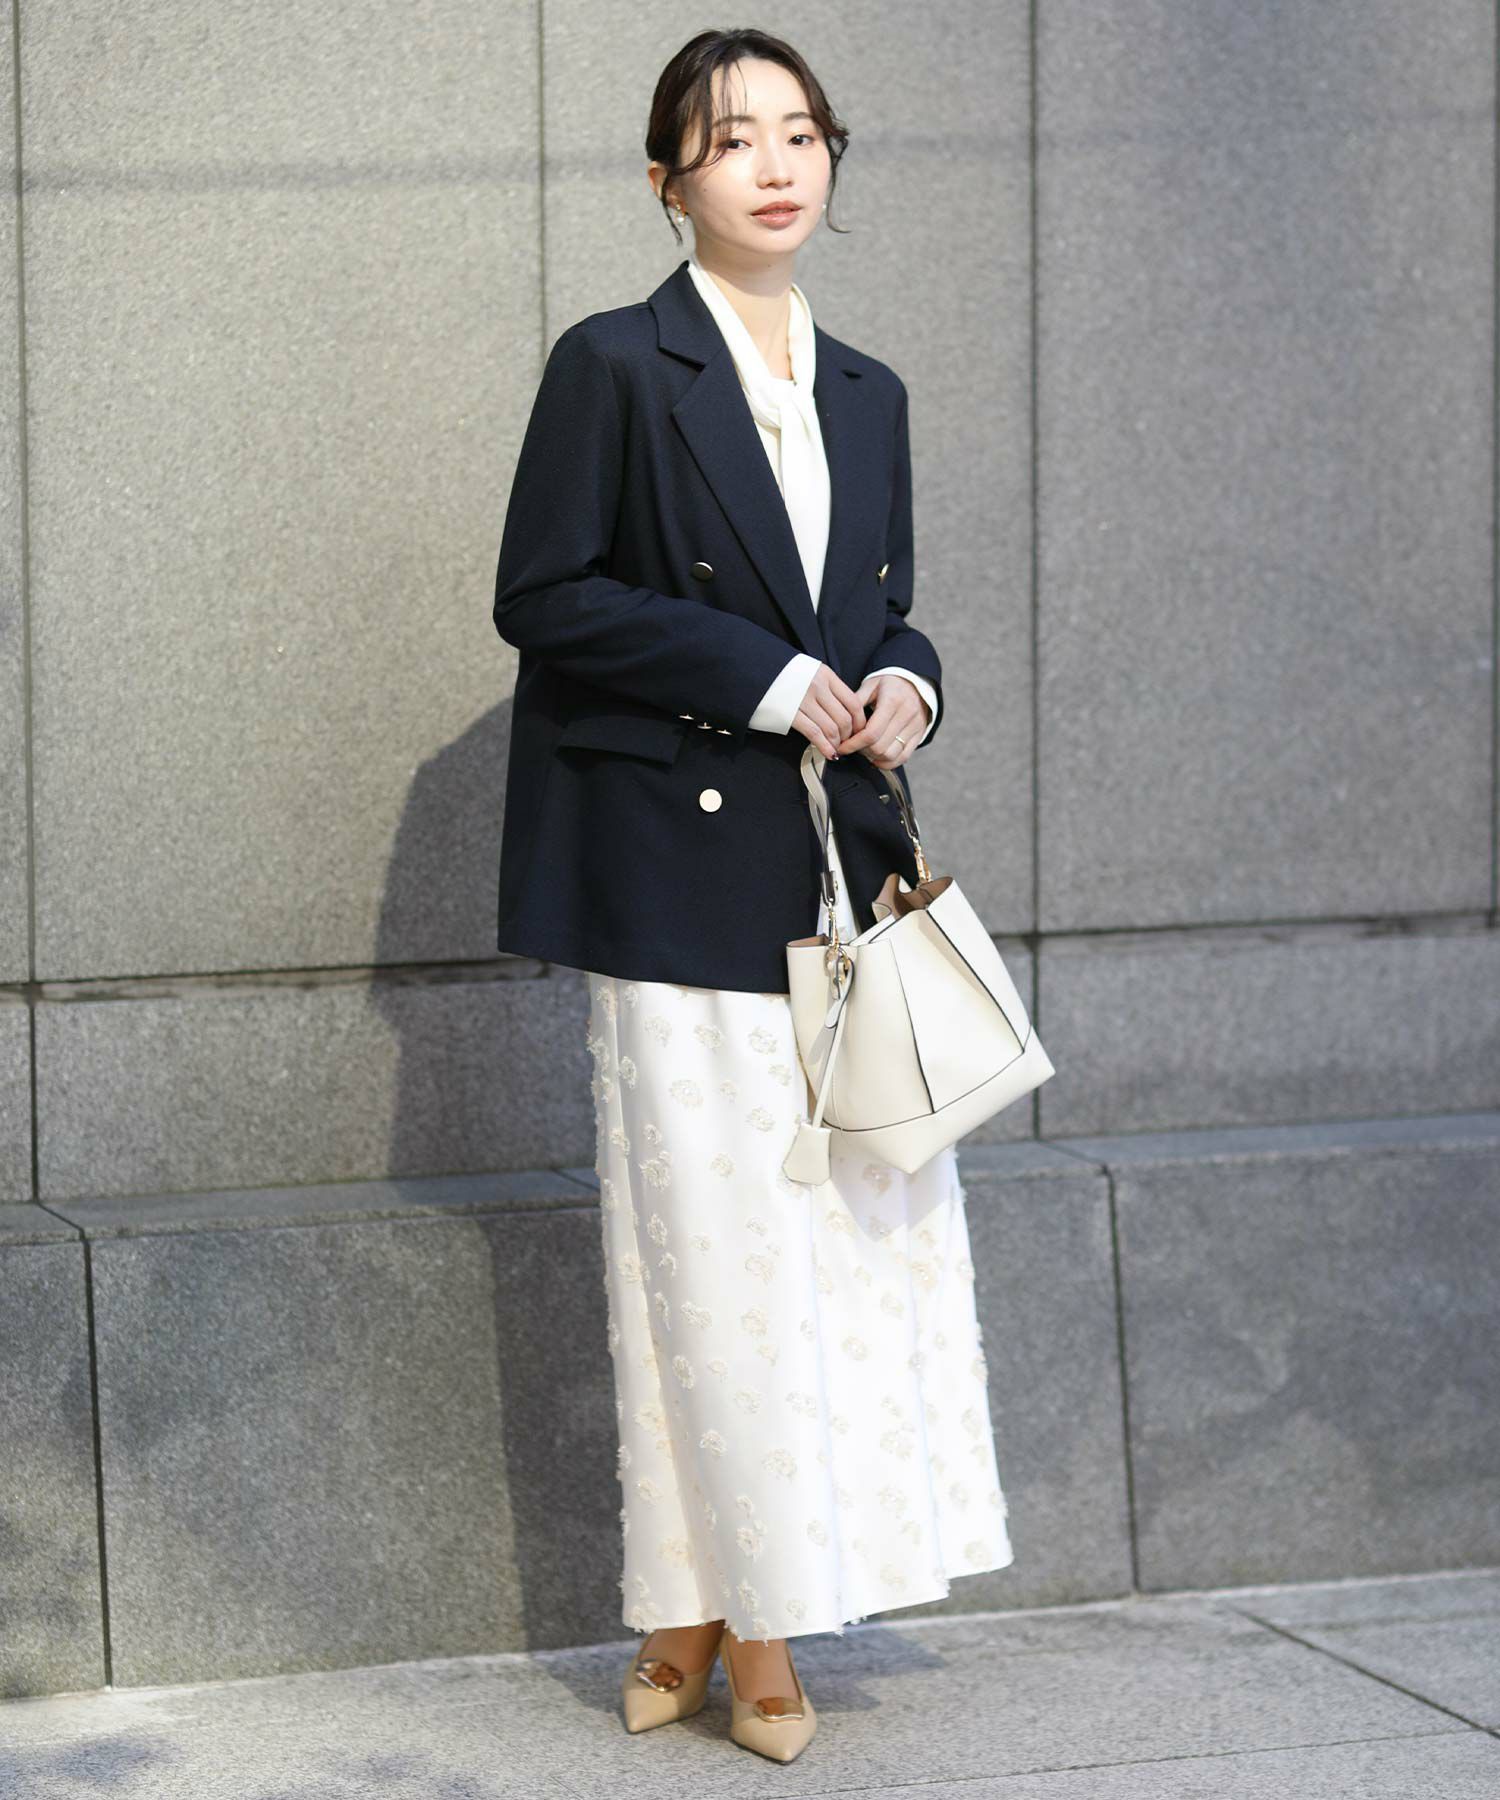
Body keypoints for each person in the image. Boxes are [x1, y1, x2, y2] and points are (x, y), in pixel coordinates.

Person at [491, 27, 1014, 1765]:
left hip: (836, 888)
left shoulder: (869, 388)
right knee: (706, 1258)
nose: (776, 165)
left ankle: (705, 1606)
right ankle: (753, 1625)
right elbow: (544, 594)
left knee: (838, 1259)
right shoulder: (614, 364)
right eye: (732, 139)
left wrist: (908, 681)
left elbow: (881, 606)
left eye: (801, 133)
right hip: (675, 875)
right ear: (669, 180)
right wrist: (764, 679)